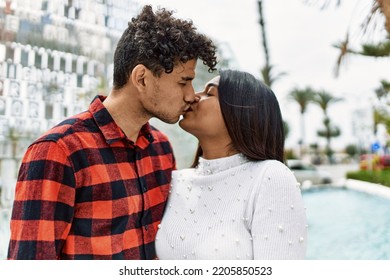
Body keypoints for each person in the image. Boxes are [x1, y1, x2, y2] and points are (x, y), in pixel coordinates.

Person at [7, 5, 217, 260]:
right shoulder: (59, 152)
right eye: (184, 81)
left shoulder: (161, 150)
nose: (190, 94)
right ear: (141, 79)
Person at [155, 70, 307, 260]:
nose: (193, 97)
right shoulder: (175, 181)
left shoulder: (270, 177)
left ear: (241, 111)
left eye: (209, 93)